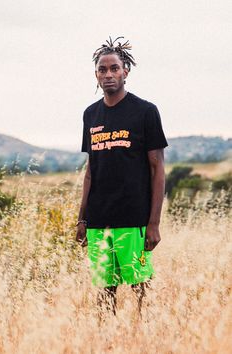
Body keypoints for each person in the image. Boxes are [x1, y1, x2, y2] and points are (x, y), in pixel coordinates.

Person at [76, 36, 168, 316]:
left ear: (125, 71)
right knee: (105, 289)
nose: (108, 75)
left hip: (134, 220)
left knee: (140, 285)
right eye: (102, 70)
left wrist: (153, 223)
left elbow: (157, 169)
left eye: (114, 68)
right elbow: (91, 171)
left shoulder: (145, 111)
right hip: (99, 219)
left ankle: (143, 337)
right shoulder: (91, 115)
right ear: (96, 74)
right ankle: (109, 341)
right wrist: (82, 218)